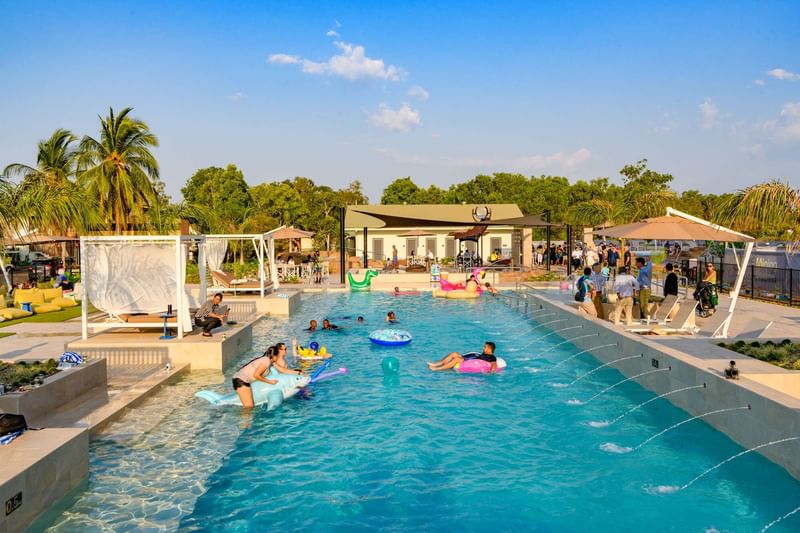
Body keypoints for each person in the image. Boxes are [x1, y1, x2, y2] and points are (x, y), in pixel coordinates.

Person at [428, 341, 498, 373]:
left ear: (489, 348)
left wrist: (490, 372)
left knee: (457, 359)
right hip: (466, 358)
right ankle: (437, 364)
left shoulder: (492, 357)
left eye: (485, 347)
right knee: (454, 353)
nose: (483, 348)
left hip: (467, 361)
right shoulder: (483, 354)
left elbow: (494, 365)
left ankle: (438, 369)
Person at [635, 256, 652, 321]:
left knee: (643, 305)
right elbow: (639, 281)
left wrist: (649, 260)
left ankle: (648, 319)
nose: (635, 264)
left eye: (636, 263)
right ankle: (645, 319)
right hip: (642, 289)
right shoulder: (641, 271)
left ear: (640, 263)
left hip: (645, 289)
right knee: (642, 305)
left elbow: (649, 268)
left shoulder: (644, 270)